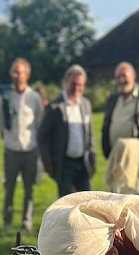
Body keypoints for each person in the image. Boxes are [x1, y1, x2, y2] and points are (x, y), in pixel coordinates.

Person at [0, 58, 44, 234]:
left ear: (27, 75)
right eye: (15, 72)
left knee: (28, 189)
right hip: (11, 151)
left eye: (21, 72)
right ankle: (7, 222)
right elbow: (0, 124)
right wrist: (9, 140)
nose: (17, 76)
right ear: (11, 74)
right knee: (9, 188)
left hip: (30, 151)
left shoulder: (34, 98)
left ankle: (27, 221)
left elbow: (40, 123)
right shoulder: (4, 97)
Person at [38, 65, 96, 198]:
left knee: (87, 202)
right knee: (67, 204)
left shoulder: (86, 104)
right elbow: (42, 136)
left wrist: (92, 160)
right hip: (64, 164)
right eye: (73, 84)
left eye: (80, 85)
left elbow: (90, 134)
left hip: (83, 163)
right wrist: (47, 161)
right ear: (65, 83)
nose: (77, 88)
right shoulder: (55, 107)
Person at [101, 62, 139, 161]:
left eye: (124, 76)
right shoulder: (113, 99)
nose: (121, 80)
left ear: (133, 76)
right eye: (118, 77)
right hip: (115, 157)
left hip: (137, 157)